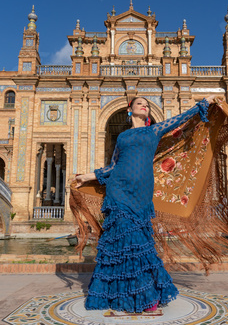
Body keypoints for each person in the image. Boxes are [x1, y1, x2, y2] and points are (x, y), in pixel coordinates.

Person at [74, 95, 216, 313]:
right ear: (130, 110)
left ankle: (144, 293)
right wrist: (88, 176)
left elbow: (180, 118)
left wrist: (203, 103)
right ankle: (120, 296)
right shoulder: (122, 137)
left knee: (139, 241)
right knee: (121, 241)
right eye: (140, 103)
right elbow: (114, 166)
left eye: (147, 104)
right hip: (119, 190)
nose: (145, 106)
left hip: (140, 193)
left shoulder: (154, 130)